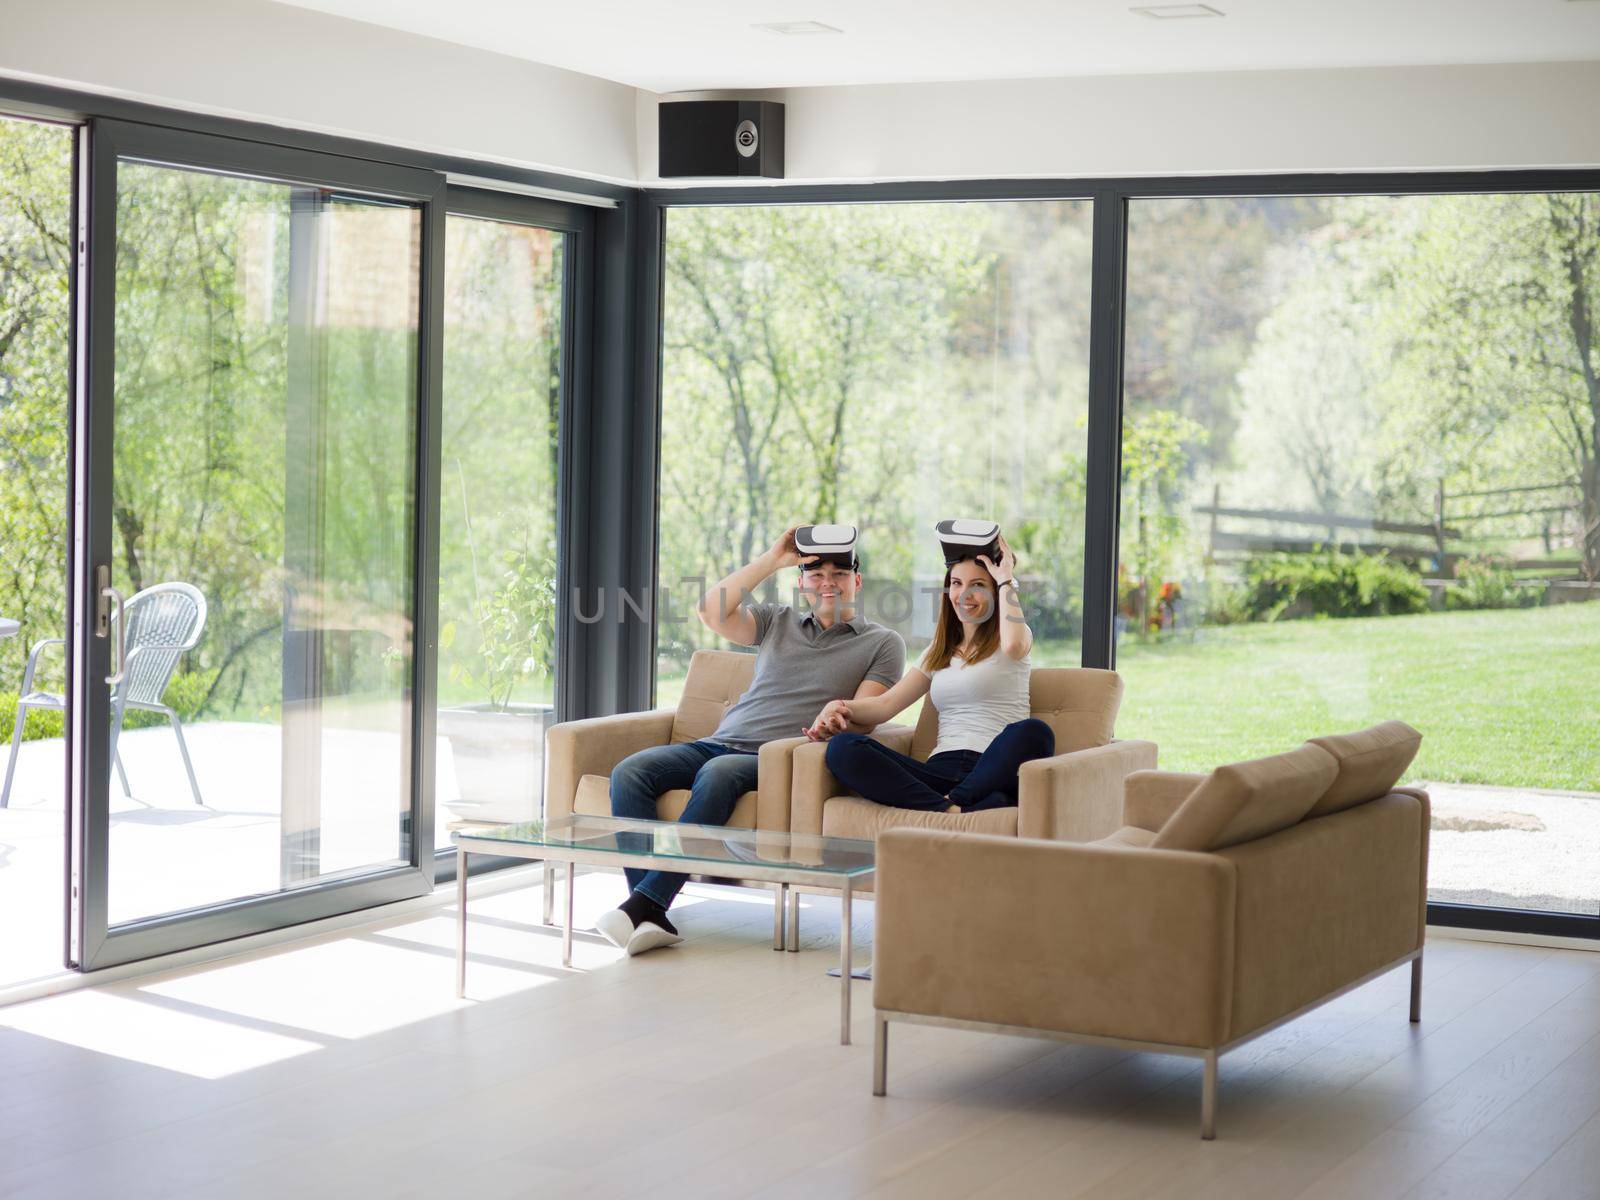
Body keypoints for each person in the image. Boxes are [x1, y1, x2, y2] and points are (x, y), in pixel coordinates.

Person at [596, 523, 906, 956]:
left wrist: (837, 722)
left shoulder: (882, 643)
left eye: (839, 574)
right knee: (631, 771)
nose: (827, 583)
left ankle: (645, 904)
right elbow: (710, 611)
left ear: (856, 580)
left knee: (719, 773)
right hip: (722, 739)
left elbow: (865, 716)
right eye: (816, 574)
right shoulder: (777, 620)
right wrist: (772, 559)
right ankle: (649, 910)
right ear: (801, 583)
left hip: (781, 756)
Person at [810, 528, 1054, 814]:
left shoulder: (1013, 636)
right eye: (957, 583)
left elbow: (1013, 645)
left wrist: (1006, 579)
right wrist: (837, 707)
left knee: (1034, 732)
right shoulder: (938, 650)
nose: (965, 594)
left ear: (996, 591)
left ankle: (958, 801)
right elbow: (885, 705)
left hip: (993, 767)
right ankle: (953, 808)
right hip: (939, 771)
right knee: (844, 748)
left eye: (978, 585)